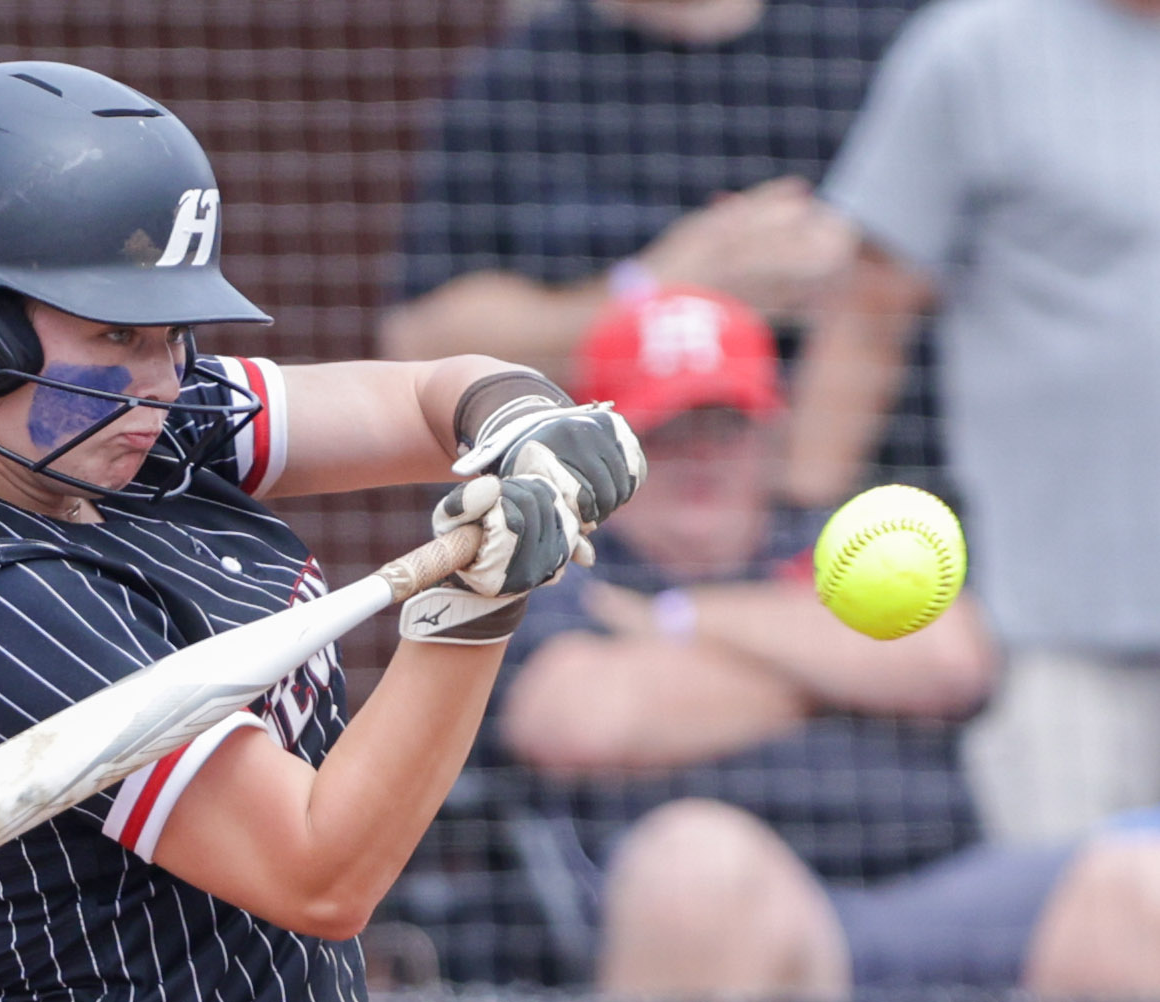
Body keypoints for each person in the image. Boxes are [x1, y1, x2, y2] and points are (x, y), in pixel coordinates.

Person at [0, 61, 645, 1002]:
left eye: (171, 334)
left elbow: (432, 397)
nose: (167, 379)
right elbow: (320, 872)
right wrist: (475, 605)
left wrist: (522, 426)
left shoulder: (108, 425)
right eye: (118, 334)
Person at [423, 284, 1160, 994]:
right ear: (601, 454)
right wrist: (834, 668)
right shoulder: (567, 563)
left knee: (1139, 884)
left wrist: (678, 623)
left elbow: (952, 658)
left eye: (726, 424)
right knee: (699, 865)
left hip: (934, 894)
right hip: (727, 910)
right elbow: (582, 718)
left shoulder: (832, 540)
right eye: (667, 432)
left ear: (769, 432)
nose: (701, 457)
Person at [782, 0, 1160, 843]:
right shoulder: (978, 48)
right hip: (1056, 640)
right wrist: (797, 531)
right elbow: (868, 312)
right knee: (1084, 944)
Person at [379, 0, 911, 392]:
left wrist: (851, 268)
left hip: (863, 512)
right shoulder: (523, 79)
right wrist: (653, 290)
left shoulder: (880, 42)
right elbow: (417, 345)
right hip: (600, 515)